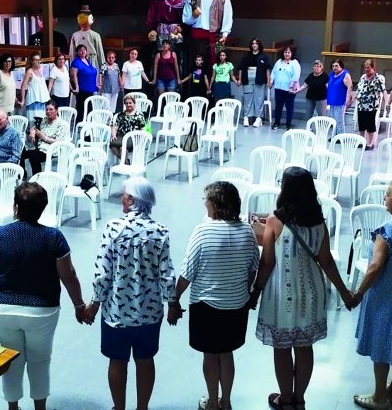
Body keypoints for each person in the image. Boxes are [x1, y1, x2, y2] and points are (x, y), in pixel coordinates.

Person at [248, 167, 353, 410]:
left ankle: (285, 399)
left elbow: (268, 262)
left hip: (281, 293)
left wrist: (255, 290)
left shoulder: (275, 221)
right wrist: (345, 293)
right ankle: (299, 399)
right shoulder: (318, 222)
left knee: (282, 348)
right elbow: (326, 261)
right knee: (304, 348)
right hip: (311, 292)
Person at [0, 182, 87, 410]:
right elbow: (68, 275)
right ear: (43, 208)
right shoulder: (53, 237)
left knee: (10, 359)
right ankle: (40, 407)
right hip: (42, 311)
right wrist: (79, 305)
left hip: (2, 309)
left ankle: (12, 407)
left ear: (16, 208)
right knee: (40, 360)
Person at [83, 177, 177, 410]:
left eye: (124, 195)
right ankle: (142, 408)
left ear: (132, 199)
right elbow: (166, 273)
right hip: (150, 312)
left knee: (118, 361)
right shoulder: (160, 231)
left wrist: (94, 305)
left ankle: (119, 408)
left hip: (117, 313)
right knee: (145, 360)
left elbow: (103, 273)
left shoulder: (113, 228)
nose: (121, 199)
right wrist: (172, 303)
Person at [169, 182, 259, 410]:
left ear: (216, 205)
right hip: (236, 306)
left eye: (206, 200)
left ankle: (211, 402)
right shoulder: (248, 231)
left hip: (206, 306)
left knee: (210, 355)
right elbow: (252, 269)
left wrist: (174, 299)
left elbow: (187, 272)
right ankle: (226, 402)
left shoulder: (203, 231)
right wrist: (244, 293)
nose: (204, 203)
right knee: (226, 353)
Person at [352, 181, 392, 410]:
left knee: (382, 347)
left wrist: (358, 293)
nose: (385, 199)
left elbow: (375, 267)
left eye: (388, 195)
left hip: (385, 299)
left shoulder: (386, 231)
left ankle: (379, 397)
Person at [182, 0, 233, 72]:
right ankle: (197, 88)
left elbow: (227, 20)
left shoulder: (224, 0)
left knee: (217, 68)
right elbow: (185, 20)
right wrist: (194, 16)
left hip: (216, 39)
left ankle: (214, 88)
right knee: (197, 67)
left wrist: (224, 35)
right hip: (197, 39)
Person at [146, 0, 186, 71]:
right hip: (160, 40)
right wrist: (152, 31)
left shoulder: (185, 2)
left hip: (177, 39)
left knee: (177, 65)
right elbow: (151, 21)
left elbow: (188, 23)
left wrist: (181, 29)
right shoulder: (157, 2)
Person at [20, 100, 69, 176]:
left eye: (51, 109)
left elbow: (58, 142)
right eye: (46, 109)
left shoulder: (62, 124)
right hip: (39, 145)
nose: (48, 112)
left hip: (51, 148)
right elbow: (36, 127)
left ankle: (37, 179)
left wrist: (43, 137)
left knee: (33, 155)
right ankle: (23, 174)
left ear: (56, 110)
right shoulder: (44, 120)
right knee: (21, 150)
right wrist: (33, 131)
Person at [351, 59, 387, 150]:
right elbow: (359, 89)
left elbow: (384, 91)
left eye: (368, 67)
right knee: (362, 125)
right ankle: (362, 141)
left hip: (371, 106)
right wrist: (352, 99)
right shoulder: (363, 77)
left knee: (370, 125)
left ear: (373, 68)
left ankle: (370, 143)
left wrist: (387, 103)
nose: (366, 69)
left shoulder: (378, 78)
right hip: (361, 105)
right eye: (365, 67)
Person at [237, 38, 271, 127]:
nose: (254, 45)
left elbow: (267, 69)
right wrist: (240, 79)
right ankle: (246, 117)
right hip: (248, 78)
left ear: (259, 45)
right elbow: (241, 68)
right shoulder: (246, 55)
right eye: (252, 43)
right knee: (248, 98)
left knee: (259, 98)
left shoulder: (263, 56)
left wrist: (268, 81)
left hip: (259, 79)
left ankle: (258, 118)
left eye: (256, 43)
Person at [269, 46, 301, 130]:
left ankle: (289, 124)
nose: (287, 54)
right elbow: (274, 72)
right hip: (278, 88)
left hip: (290, 89)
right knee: (278, 107)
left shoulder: (294, 62)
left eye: (289, 52)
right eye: (285, 52)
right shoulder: (279, 61)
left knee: (289, 107)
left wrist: (291, 86)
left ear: (292, 53)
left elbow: (296, 75)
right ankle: (276, 123)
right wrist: (271, 81)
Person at [109, 94, 146, 161]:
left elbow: (143, 128)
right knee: (112, 145)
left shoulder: (139, 115)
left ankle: (124, 164)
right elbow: (115, 127)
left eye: (130, 103)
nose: (128, 105)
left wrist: (140, 138)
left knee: (122, 148)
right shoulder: (120, 114)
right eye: (126, 103)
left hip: (132, 136)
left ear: (134, 103)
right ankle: (126, 163)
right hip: (120, 135)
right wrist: (113, 135)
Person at [69, 4, 105, 71]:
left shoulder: (95, 35)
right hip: (79, 61)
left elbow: (100, 53)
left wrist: (103, 69)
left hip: (92, 60)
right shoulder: (75, 35)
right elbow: (72, 53)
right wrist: (72, 67)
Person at [70, 43, 99, 122]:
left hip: (91, 89)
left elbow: (92, 73)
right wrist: (77, 87)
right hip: (82, 89)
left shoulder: (88, 61)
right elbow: (73, 75)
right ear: (77, 52)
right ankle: (79, 127)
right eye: (80, 50)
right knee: (82, 109)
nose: (82, 52)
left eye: (84, 50)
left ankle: (88, 128)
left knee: (89, 109)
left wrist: (97, 85)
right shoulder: (76, 62)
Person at [19, 52, 50, 125]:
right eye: (36, 60)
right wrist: (23, 100)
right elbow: (23, 86)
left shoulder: (39, 70)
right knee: (33, 122)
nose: (38, 62)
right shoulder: (29, 71)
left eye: (39, 60)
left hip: (41, 99)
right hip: (33, 100)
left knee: (42, 121)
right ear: (32, 61)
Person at [326, 59, 353, 135]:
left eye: (336, 66)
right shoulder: (332, 74)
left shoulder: (345, 74)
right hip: (332, 100)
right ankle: (334, 135)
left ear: (341, 66)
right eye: (333, 66)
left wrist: (348, 99)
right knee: (333, 120)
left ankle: (341, 136)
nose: (334, 67)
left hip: (340, 101)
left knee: (339, 120)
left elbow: (350, 86)